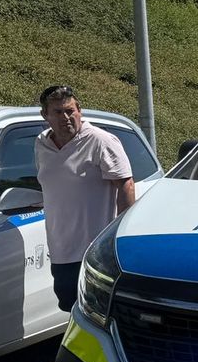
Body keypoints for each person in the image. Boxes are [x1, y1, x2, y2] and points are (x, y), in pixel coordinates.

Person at [35, 85, 136, 311]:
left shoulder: (100, 140)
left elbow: (126, 185)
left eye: (70, 110)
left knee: (97, 313)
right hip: (61, 250)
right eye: (58, 112)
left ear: (79, 109)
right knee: (71, 310)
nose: (66, 118)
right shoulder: (41, 144)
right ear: (45, 116)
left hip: (95, 251)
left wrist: (119, 240)